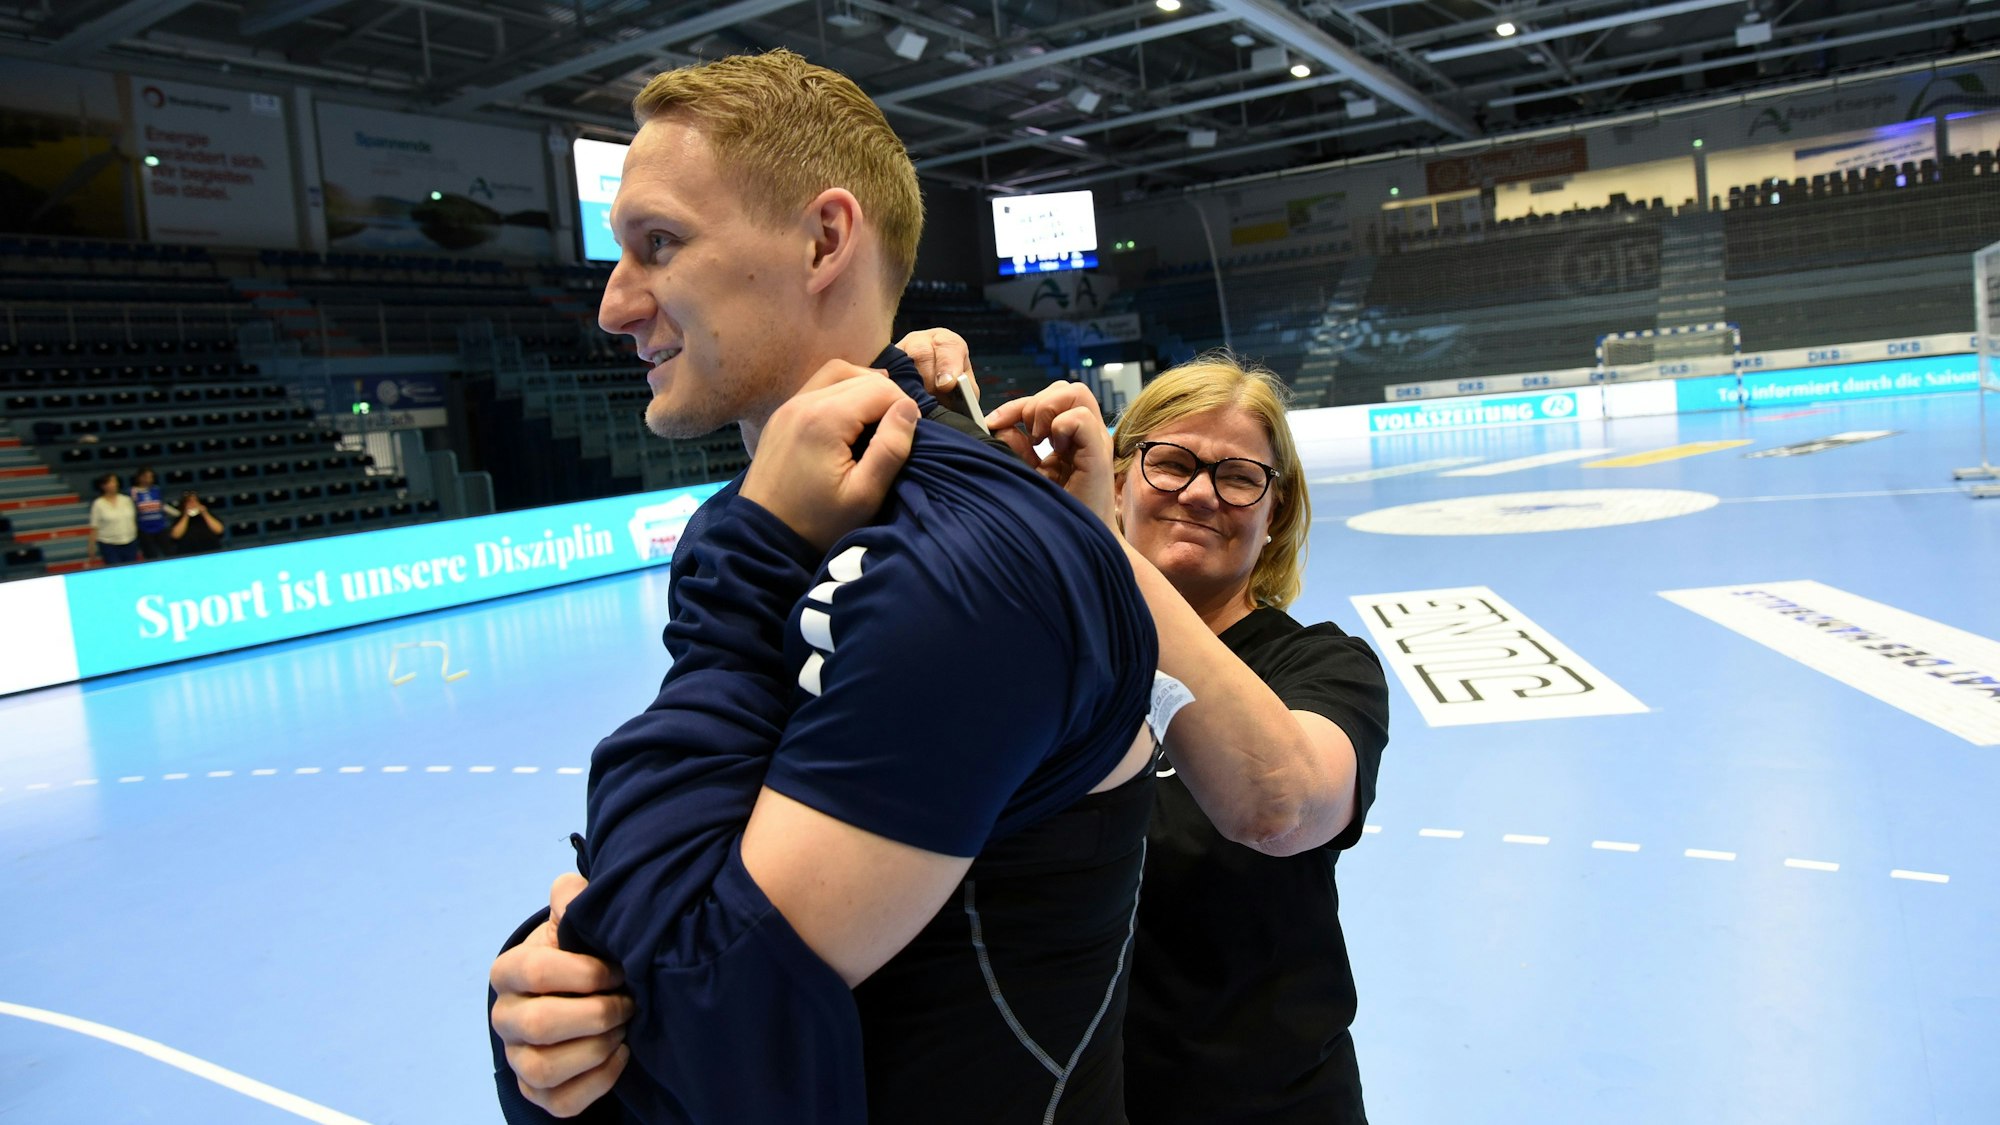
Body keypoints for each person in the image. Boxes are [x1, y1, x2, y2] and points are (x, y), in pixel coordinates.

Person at [486, 50, 1159, 1125]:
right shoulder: (788, 523)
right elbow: (679, 902)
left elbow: (703, 1014)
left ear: (822, 240)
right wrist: (551, 985)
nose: (613, 305)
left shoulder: (963, 567)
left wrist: (747, 555)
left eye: (657, 244)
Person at [501, 339, 1395, 1124]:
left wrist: (1080, 541)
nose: (1201, 493)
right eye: (1170, 462)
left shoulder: (1321, 666)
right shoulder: (1012, 642)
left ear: (1276, 510)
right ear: (1124, 472)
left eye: (1240, 476)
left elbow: (1280, 802)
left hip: (1264, 1107)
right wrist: (578, 967)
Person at [86, 472, 139, 566]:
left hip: (130, 542)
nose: (114, 484)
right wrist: (91, 546)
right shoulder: (98, 504)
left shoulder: (126, 500)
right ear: (104, 485)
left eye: (115, 482)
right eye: (111, 482)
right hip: (109, 545)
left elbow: (133, 520)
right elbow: (94, 527)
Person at [129, 467, 171, 560]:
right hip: (145, 530)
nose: (149, 479)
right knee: (151, 556)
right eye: (146, 476)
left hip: (160, 527)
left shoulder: (156, 489)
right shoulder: (133, 491)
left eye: (151, 477)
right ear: (140, 477)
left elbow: (162, 506)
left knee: (169, 553)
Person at [167, 491, 225, 555]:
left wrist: (205, 513)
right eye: (189, 502)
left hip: (211, 551)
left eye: (195, 501)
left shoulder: (208, 515)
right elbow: (175, 535)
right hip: (188, 554)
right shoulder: (180, 519)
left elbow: (219, 530)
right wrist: (186, 515)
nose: (193, 504)